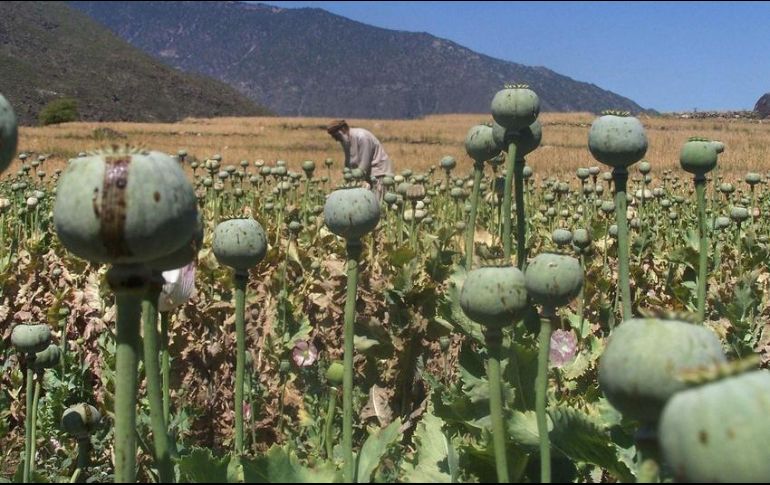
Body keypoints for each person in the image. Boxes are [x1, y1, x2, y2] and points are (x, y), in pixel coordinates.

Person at [326, 119, 394, 198]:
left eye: (336, 136)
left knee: (377, 203)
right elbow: (348, 162)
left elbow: (364, 164)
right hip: (363, 176)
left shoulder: (362, 137)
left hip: (378, 174)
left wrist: (355, 183)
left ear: (343, 129)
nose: (336, 139)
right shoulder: (345, 140)